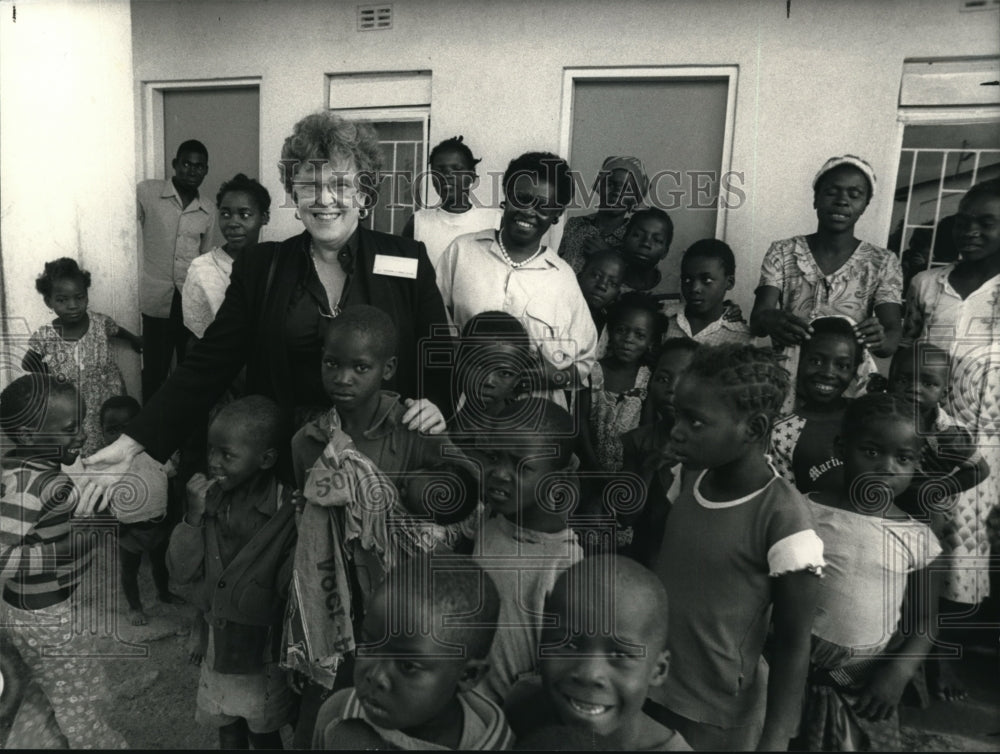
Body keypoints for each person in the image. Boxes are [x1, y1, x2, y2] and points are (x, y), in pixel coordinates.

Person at [86, 112, 452, 487]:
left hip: (383, 459)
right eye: (309, 184)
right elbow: (208, 363)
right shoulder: (262, 267)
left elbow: (437, 347)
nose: (324, 199)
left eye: (341, 184)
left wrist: (436, 402)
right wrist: (134, 442)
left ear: (363, 194)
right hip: (286, 462)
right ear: (294, 195)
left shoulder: (406, 259)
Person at [286, 307, 476, 746]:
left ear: (388, 369)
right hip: (336, 597)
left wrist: (408, 499)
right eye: (332, 364)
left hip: (402, 604)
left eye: (360, 367)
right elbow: (311, 526)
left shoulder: (413, 428)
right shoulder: (309, 441)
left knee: (394, 713)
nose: (344, 378)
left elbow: (466, 496)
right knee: (323, 716)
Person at [650, 344, 825, 751]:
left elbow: (795, 643)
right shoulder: (687, 477)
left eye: (695, 421)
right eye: (679, 414)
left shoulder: (785, 520)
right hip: (652, 684)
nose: (677, 429)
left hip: (717, 714)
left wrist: (776, 737)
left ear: (753, 427)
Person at [799, 393, 944, 751]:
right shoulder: (805, 511)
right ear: (841, 447)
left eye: (903, 458)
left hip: (863, 685)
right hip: (792, 671)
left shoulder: (918, 538)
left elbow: (925, 621)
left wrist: (898, 673)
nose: (888, 467)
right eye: (873, 451)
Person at [902, 179, 1000, 696]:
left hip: (985, 444)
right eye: (966, 220)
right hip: (924, 434)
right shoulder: (927, 284)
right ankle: (909, 659)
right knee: (919, 544)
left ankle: (938, 658)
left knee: (963, 553)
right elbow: (908, 349)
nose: (973, 231)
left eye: (987, 222)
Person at [0, 375, 126, 749]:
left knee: (48, 686)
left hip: (37, 613)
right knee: (79, 697)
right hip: (44, 619)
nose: (82, 436)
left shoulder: (35, 473)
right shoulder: (28, 485)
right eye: (70, 428)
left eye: (82, 424)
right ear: (26, 436)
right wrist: (63, 551)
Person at [166, 395, 297, 750]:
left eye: (227, 454)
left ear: (266, 459)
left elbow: (291, 588)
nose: (213, 463)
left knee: (263, 731)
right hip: (218, 645)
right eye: (211, 451)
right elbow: (180, 572)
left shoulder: (288, 510)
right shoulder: (208, 500)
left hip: (263, 653)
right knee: (226, 727)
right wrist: (192, 517)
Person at [435, 151, 598, 406]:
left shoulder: (563, 277)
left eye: (543, 206)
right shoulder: (462, 252)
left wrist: (532, 378)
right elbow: (435, 326)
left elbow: (583, 364)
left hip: (536, 421)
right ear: (506, 198)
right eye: (521, 198)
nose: (528, 211)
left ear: (557, 214)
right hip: (466, 407)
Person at [312, 555, 514, 749]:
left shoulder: (496, 745)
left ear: (468, 675)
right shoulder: (338, 715)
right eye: (370, 646)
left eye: (407, 666)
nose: (375, 676)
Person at [750, 155, 903, 405]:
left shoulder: (882, 262)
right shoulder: (782, 252)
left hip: (847, 387)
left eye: (854, 194)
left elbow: (891, 336)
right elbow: (757, 321)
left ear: (865, 204)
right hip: (787, 384)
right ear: (815, 198)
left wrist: (881, 337)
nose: (842, 201)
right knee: (784, 441)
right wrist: (770, 318)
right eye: (832, 192)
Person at [889, 344, 991, 701]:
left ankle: (922, 667)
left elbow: (979, 468)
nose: (913, 388)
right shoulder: (880, 414)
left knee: (922, 601)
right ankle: (887, 667)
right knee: (887, 597)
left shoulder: (949, 432)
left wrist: (936, 488)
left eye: (927, 383)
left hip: (925, 524)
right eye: (903, 378)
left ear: (944, 391)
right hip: (881, 518)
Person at [505, 555, 690, 751]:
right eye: (569, 645)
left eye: (619, 655)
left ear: (658, 670)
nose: (589, 674)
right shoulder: (523, 707)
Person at [471, 398, 585, 705]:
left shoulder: (565, 563)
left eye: (521, 466)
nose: (500, 473)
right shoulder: (490, 522)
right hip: (467, 707)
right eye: (494, 457)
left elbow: (559, 671)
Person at [22, 258, 142, 458]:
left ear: (86, 295)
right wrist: (52, 381)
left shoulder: (99, 322)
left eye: (79, 297)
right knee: (87, 447)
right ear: (48, 301)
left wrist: (135, 339)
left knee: (116, 441)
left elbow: (117, 330)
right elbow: (27, 362)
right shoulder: (46, 335)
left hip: (110, 401)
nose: (73, 305)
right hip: (79, 405)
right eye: (62, 300)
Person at [137, 139, 216, 400]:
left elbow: (206, 257)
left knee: (187, 372)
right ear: (175, 164)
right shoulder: (148, 193)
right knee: (154, 373)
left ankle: (182, 435)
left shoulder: (208, 210)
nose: (191, 171)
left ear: (205, 170)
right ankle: (150, 437)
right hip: (157, 301)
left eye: (198, 166)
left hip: (189, 302)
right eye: (186, 164)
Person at [98, 396, 180, 626]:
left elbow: (169, 487)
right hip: (128, 532)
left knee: (161, 564)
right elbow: (98, 503)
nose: (121, 437)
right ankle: (135, 607)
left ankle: (164, 593)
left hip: (158, 526)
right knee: (129, 571)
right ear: (102, 432)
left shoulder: (156, 456)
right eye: (112, 430)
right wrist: (113, 528)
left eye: (129, 428)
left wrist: (170, 519)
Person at [620, 337, 698, 564]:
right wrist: (649, 467)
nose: (672, 389)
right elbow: (626, 517)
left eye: (685, 379)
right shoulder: (636, 441)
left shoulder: (713, 444)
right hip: (648, 560)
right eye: (663, 379)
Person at [770, 316, 864, 497]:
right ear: (799, 361)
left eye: (842, 365)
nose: (828, 373)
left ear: (855, 370)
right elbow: (787, 500)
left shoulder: (865, 417)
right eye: (816, 361)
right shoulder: (782, 432)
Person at [579, 292, 663, 473]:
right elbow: (581, 424)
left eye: (639, 335)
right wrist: (592, 466)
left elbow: (647, 430)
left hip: (628, 472)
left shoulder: (647, 379)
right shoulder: (593, 372)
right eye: (621, 330)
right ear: (610, 332)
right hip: (589, 468)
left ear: (650, 342)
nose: (628, 339)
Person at [182, 173, 271, 340]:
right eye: (225, 214)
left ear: (264, 217)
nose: (233, 223)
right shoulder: (202, 269)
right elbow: (196, 337)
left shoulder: (275, 264)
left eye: (244, 214)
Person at [402, 135, 500, 268]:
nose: (447, 175)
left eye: (457, 169)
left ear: (471, 176)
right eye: (440, 170)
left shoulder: (494, 221)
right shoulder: (418, 222)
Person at [558, 156, 649, 274]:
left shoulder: (634, 237)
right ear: (599, 186)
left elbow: (637, 278)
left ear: (635, 197)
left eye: (627, 189)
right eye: (611, 184)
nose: (617, 193)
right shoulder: (575, 225)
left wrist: (607, 255)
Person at [449, 310, 536, 435]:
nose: (488, 381)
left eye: (505, 373)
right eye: (478, 366)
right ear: (459, 362)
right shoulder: (440, 423)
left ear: (517, 379)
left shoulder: (529, 434)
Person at [665, 239, 751, 345]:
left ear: (729, 282)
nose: (695, 288)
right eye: (687, 279)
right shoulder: (664, 319)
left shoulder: (741, 337)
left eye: (707, 280)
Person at [576, 249, 627, 355]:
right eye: (596, 275)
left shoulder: (608, 329)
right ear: (579, 276)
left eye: (612, 283)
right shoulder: (558, 309)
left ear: (617, 293)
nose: (602, 286)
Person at [620, 208, 674, 293]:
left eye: (657, 240)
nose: (645, 243)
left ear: (665, 252)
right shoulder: (605, 283)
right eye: (637, 235)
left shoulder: (674, 289)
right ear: (624, 240)